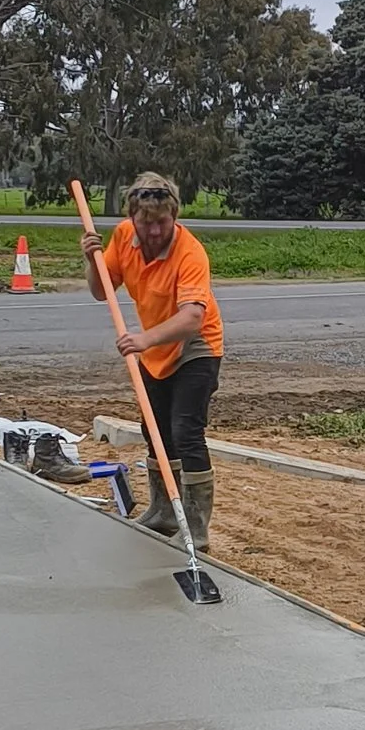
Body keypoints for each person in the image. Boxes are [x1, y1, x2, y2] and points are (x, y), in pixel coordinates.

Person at [86, 169, 225, 553]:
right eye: (146, 222)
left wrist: (144, 339)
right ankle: (164, 511)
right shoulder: (124, 238)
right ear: (133, 217)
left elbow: (193, 316)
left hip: (195, 346)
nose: (153, 231)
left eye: (161, 222)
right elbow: (102, 291)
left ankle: (195, 528)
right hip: (153, 349)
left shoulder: (189, 251)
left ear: (174, 217)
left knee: (185, 431)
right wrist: (92, 260)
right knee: (155, 431)